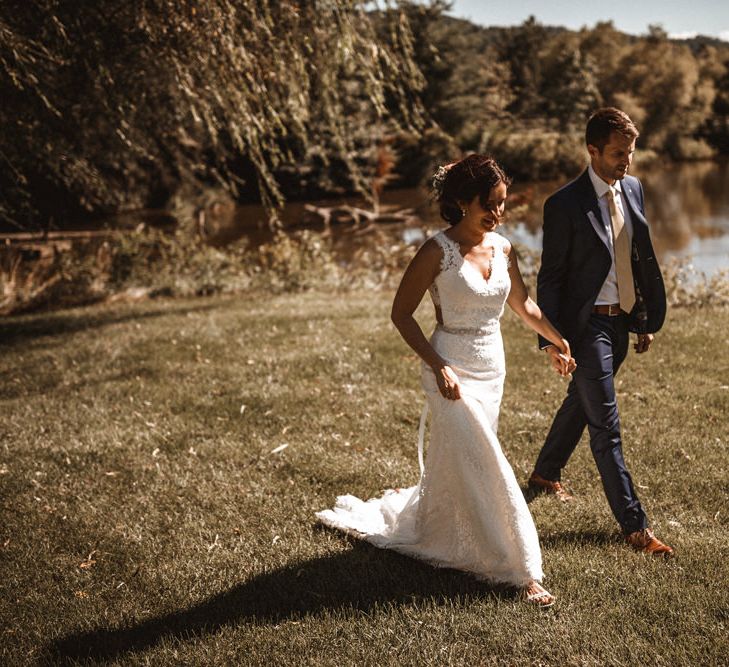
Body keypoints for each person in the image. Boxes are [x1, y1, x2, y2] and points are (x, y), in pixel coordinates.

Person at [317, 154, 576, 607]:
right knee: (488, 462)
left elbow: (523, 305)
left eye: (501, 204)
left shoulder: (503, 248)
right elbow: (401, 315)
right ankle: (519, 568)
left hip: (492, 366)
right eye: (489, 205)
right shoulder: (437, 251)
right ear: (461, 201)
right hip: (449, 366)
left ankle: (447, 527)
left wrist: (557, 341)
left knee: (469, 463)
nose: (497, 214)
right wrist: (438, 365)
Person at [528, 107, 673, 557]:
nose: (625, 162)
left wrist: (643, 318)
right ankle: (635, 526)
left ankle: (544, 473)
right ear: (591, 150)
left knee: (582, 401)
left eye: (630, 152)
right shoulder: (564, 204)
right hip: (587, 325)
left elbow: (637, 257)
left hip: (621, 320)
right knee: (605, 426)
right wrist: (552, 338)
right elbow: (550, 277)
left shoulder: (633, 188)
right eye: (616, 154)